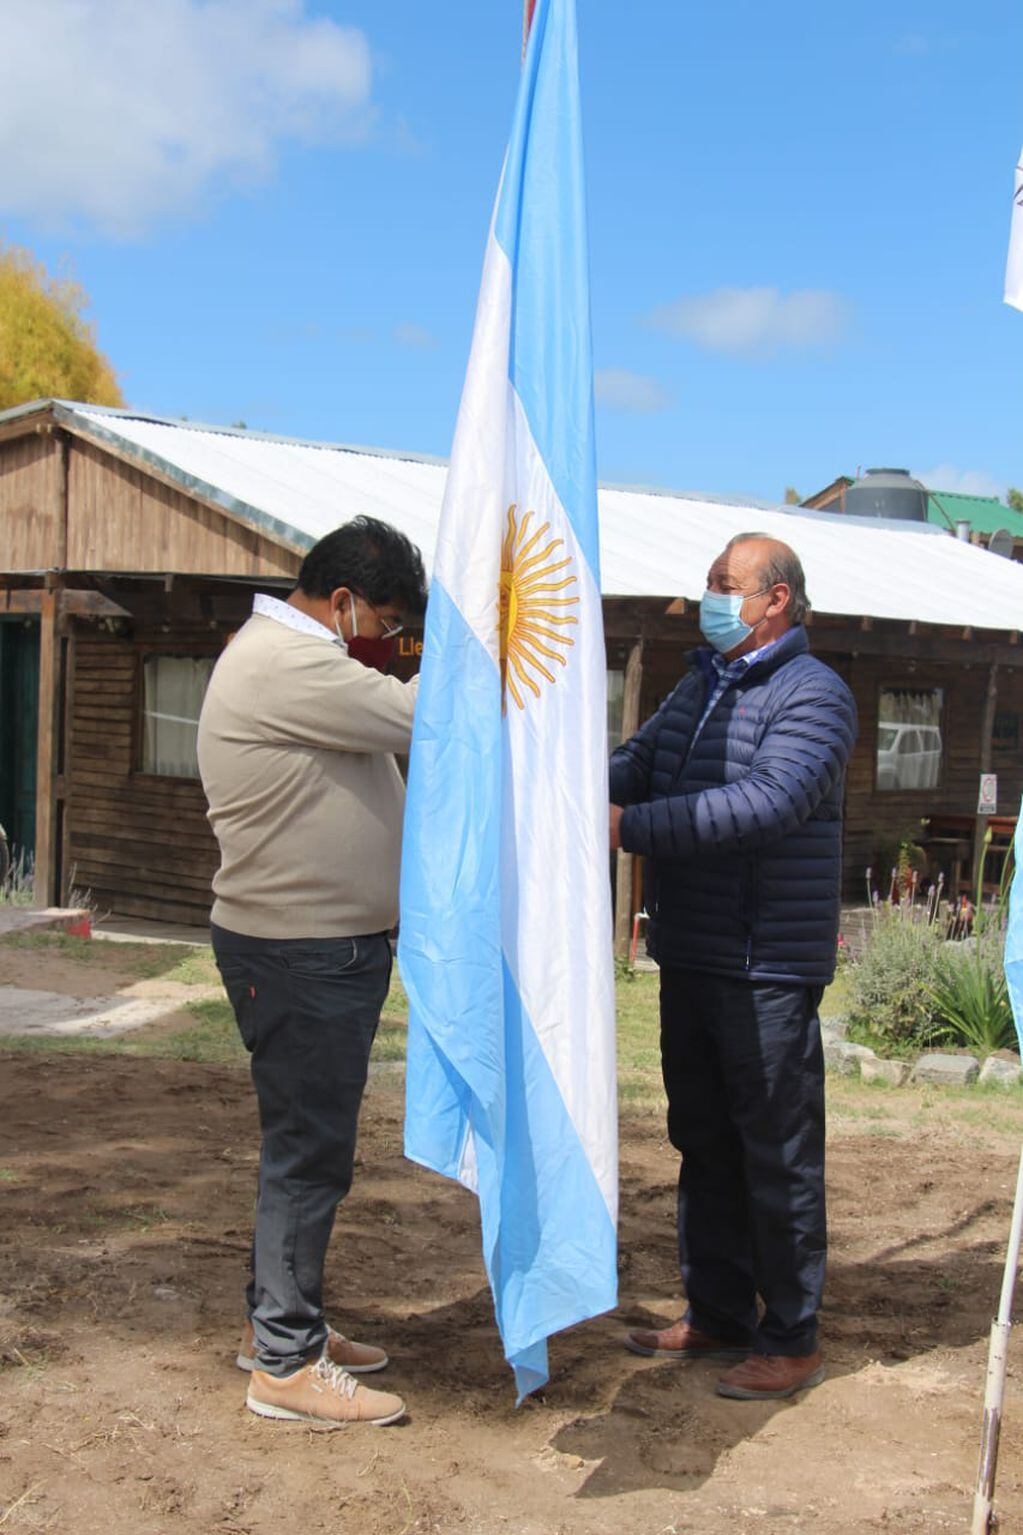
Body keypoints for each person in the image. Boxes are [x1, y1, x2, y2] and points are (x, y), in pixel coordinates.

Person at [610, 533, 857, 1401]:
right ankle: (717, 1309)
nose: (711, 597)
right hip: (694, 952)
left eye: (725, 585)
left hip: (765, 968)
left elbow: (763, 805)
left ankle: (790, 1336)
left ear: (775, 599)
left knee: (777, 1155)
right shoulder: (702, 681)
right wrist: (569, 787)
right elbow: (641, 765)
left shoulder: (814, 695)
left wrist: (626, 829)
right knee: (704, 1142)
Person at [197, 515, 427, 1428]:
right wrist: (495, 642)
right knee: (307, 1155)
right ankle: (286, 1363)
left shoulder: (304, 661)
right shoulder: (292, 664)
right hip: (300, 950)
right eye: (391, 626)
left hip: (310, 946)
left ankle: (279, 1329)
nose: (394, 647)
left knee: (304, 1147)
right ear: (341, 603)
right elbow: (431, 717)